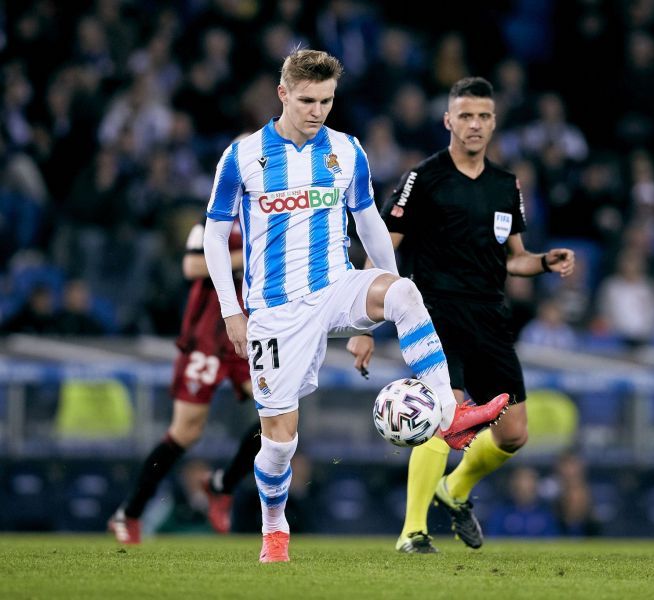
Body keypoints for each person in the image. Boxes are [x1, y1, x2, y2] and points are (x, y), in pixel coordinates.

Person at [202, 50, 509, 564]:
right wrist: (231, 310)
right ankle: (274, 528)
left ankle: (450, 414)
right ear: (283, 94)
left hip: (336, 284)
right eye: (306, 100)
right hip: (276, 309)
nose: (317, 110)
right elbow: (215, 235)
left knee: (407, 293)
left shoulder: (346, 151)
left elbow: (368, 224)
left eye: (326, 100)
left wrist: (379, 306)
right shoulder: (243, 156)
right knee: (279, 442)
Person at [349, 76, 574, 553]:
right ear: (448, 120)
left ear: (494, 123)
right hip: (434, 315)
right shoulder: (423, 178)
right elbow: (381, 246)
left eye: (484, 116)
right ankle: (413, 531)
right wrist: (364, 323)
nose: (475, 125)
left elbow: (513, 257)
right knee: (442, 411)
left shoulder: (504, 185)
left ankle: (455, 490)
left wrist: (541, 262)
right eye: (466, 116)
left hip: (491, 317)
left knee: (513, 434)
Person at [108, 219, 262, 544]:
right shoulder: (214, 222)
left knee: (277, 416)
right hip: (208, 336)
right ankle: (130, 512)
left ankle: (222, 484)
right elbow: (192, 266)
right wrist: (250, 251)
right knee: (186, 431)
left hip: (251, 334)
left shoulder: (275, 217)